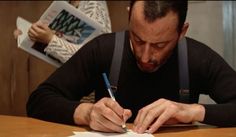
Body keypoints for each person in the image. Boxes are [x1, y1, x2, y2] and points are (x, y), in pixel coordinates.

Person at [26, 0, 236, 134]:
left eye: (159, 45)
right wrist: (87, 113)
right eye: (137, 39)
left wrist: (191, 111)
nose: (145, 56)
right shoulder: (104, 49)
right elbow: (39, 100)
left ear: (182, 32)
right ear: (129, 16)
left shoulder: (197, 58)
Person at [14, 0, 111, 63]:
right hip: (73, 82)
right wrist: (30, 35)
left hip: (91, 90)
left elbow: (91, 57)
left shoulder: (94, 5)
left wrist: (50, 39)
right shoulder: (67, 3)